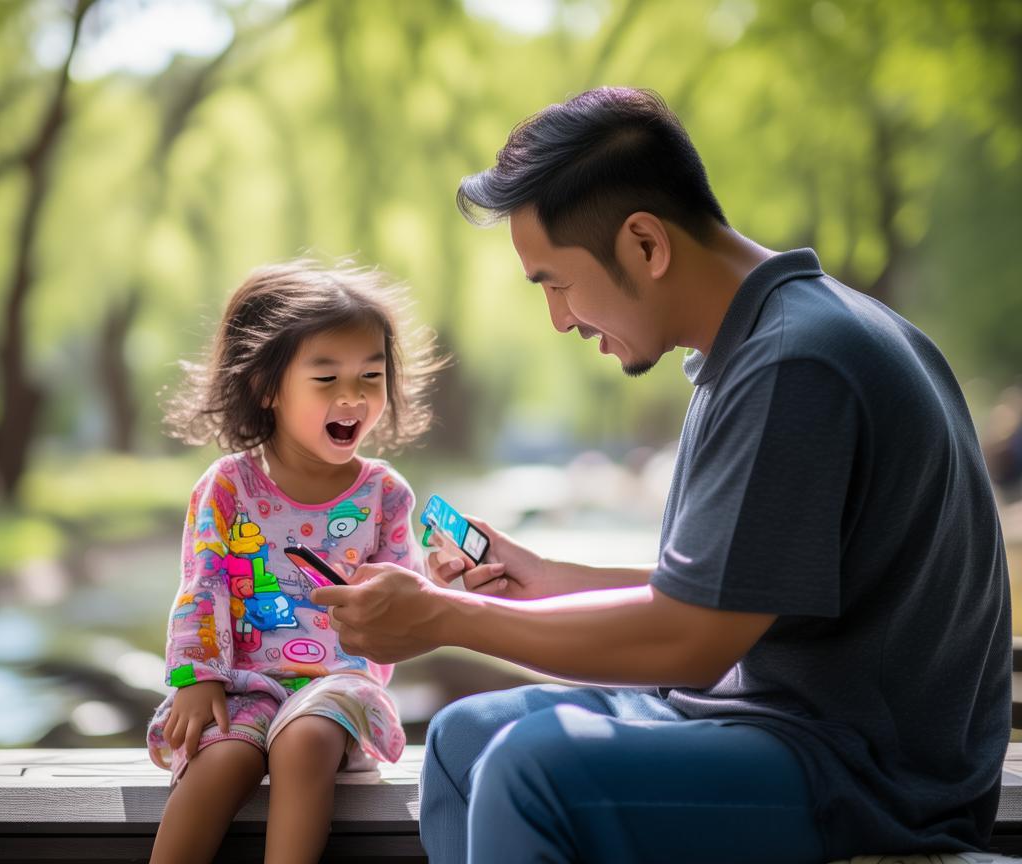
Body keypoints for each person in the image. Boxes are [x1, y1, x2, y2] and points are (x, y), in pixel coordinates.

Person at [311, 88, 1011, 864]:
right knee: (461, 740)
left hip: (865, 775)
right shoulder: (764, 345)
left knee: (530, 773)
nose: (559, 319)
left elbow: (693, 640)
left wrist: (446, 618)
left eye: (555, 282)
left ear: (645, 243)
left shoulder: (796, 364)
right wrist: (545, 581)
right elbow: (729, 595)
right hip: (772, 726)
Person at [146, 261, 442, 864]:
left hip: (338, 685)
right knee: (220, 759)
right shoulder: (228, 486)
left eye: (371, 375)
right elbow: (202, 587)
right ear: (267, 386)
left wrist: (438, 587)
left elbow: (401, 604)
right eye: (326, 377)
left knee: (303, 742)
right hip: (243, 682)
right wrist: (196, 678)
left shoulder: (384, 494)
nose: (352, 396)